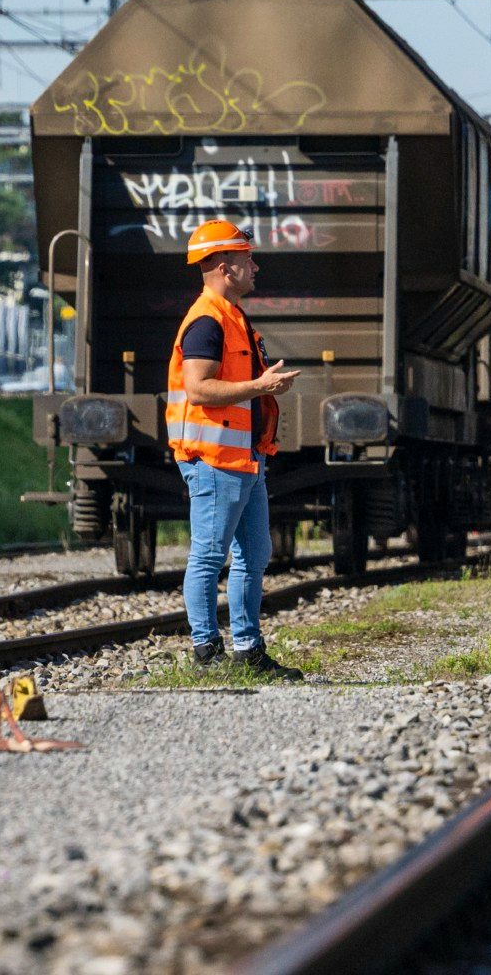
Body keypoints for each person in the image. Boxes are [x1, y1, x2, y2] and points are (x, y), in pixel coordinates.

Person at [168, 217, 304, 676]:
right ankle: (206, 653)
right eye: (249, 260)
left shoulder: (231, 316)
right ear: (226, 267)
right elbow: (200, 389)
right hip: (214, 461)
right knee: (209, 555)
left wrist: (263, 388)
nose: (256, 268)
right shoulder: (206, 321)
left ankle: (248, 651)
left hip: (245, 459)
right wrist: (260, 384)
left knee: (253, 554)